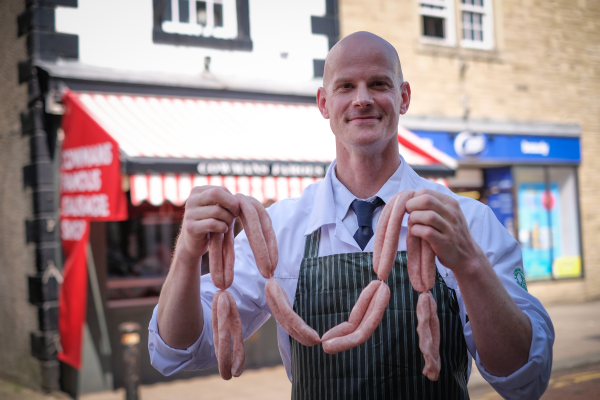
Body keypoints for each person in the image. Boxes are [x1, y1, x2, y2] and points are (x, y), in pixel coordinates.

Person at [149, 31, 553, 399]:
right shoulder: (279, 228)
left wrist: (469, 262)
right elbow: (177, 350)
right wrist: (187, 254)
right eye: (346, 86)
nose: (362, 98)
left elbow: (523, 377)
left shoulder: (468, 221)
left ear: (404, 97)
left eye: (378, 84)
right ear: (325, 103)